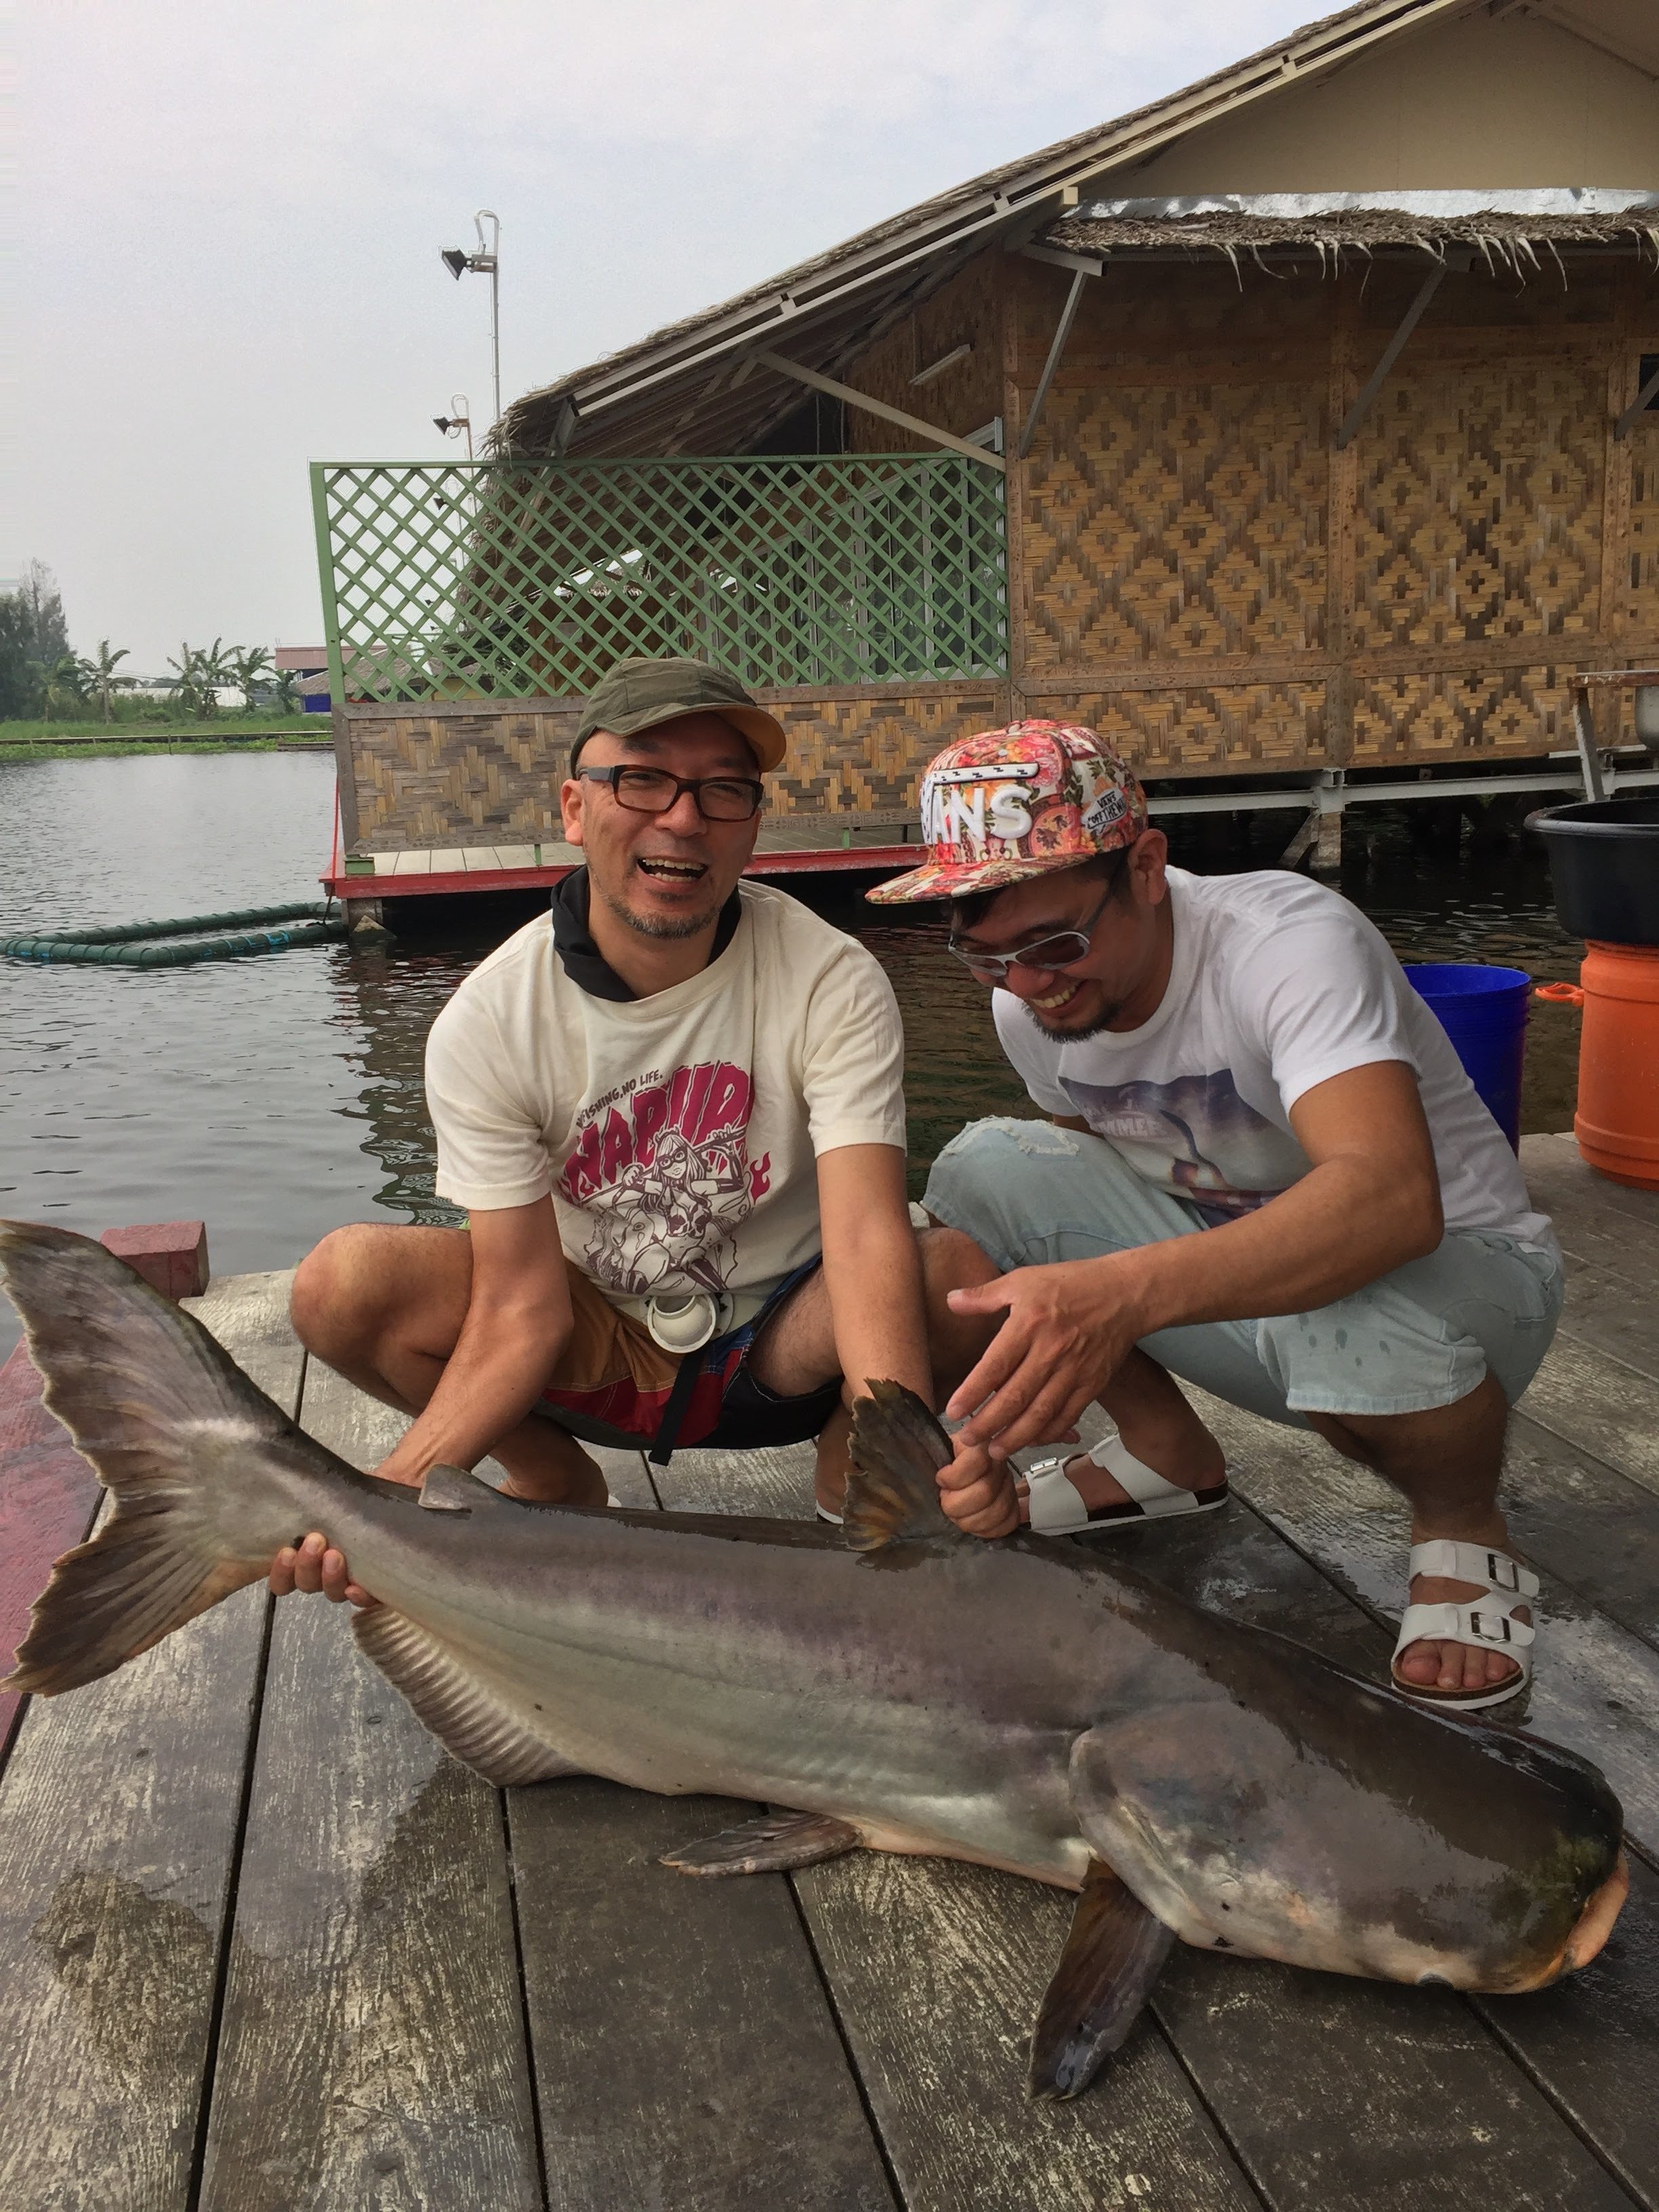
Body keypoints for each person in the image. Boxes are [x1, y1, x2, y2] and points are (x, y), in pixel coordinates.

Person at [865, 720, 1563, 1713]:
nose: (1026, 983)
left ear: (1147, 865)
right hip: (1251, 1293)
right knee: (984, 1169)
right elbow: (1086, 1160)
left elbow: (1391, 1200)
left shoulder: (1287, 943)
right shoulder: (1029, 1001)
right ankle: (1165, 1451)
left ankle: (1463, 1524)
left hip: (1463, 1285)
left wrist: (1112, 1297)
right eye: (986, 957)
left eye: (1056, 942)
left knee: (1344, 1300)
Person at [272, 655, 992, 1606]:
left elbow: (863, 1240)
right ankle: (557, 1479)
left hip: (778, 1345)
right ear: (575, 808)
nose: (683, 818)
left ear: (752, 824)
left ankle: (849, 1490)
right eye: (642, 779)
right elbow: (523, 1306)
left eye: (722, 790)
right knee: (343, 1285)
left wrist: (910, 1481)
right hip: (594, 1335)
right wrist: (397, 1496)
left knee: (952, 1278)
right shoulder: (491, 1020)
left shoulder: (831, 978)